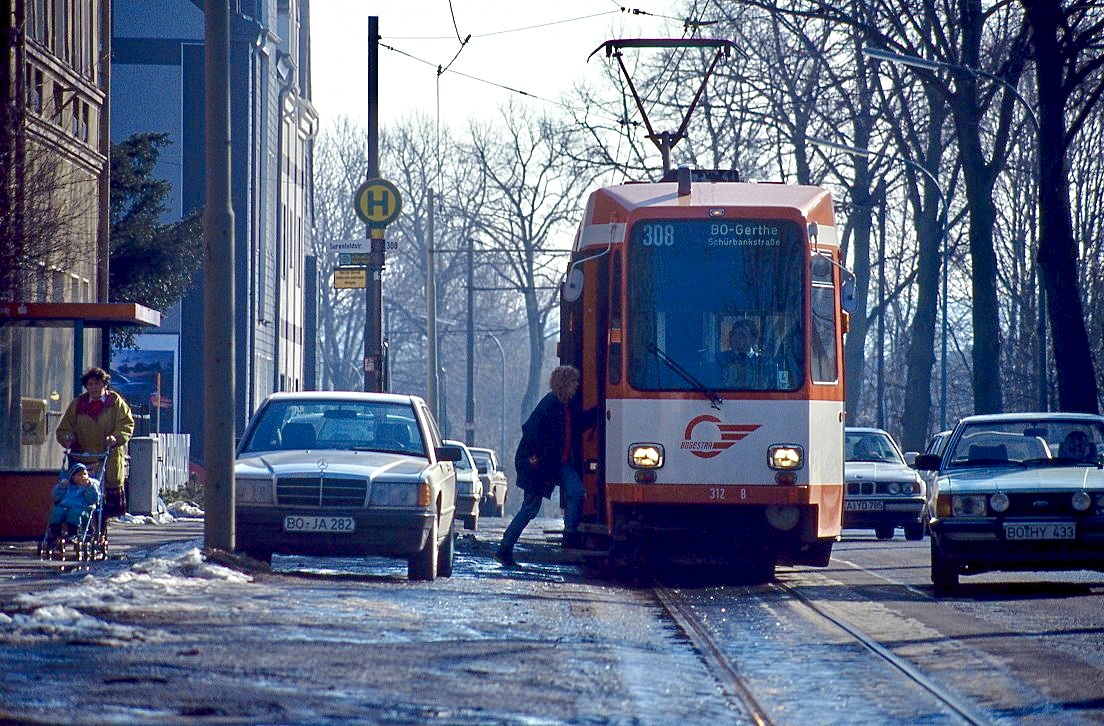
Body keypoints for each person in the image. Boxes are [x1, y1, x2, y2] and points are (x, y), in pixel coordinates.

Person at [496, 365, 585, 567]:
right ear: (565, 384)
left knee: (576, 491)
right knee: (529, 509)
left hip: (556, 464)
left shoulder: (565, 406)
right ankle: (504, 549)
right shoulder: (550, 405)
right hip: (538, 465)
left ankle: (569, 535)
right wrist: (536, 456)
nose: (577, 387)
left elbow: (579, 423)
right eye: (574, 383)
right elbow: (531, 431)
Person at [55, 367, 135, 517]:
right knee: (81, 498)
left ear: (104, 385)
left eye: (97, 384)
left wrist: (116, 437)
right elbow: (64, 428)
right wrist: (67, 438)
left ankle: (101, 531)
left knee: (104, 504)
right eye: (90, 384)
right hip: (83, 459)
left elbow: (126, 424)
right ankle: (77, 529)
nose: (94, 388)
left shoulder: (115, 402)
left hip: (108, 458)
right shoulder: (78, 404)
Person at [47, 462, 101, 541]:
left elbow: (93, 498)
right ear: (72, 477)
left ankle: (73, 533)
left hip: (83, 508)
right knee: (56, 511)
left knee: (74, 513)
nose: (83, 476)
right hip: (66, 506)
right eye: (80, 474)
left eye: (85, 474)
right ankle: (55, 533)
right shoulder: (67, 485)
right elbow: (56, 497)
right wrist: (60, 487)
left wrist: (90, 487)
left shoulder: (91, 485)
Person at [718, 319, 763, 388]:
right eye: (733, 334)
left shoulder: (763, 364)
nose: (737, 338)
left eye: (742, 335)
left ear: (753, 339)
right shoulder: (719, 360)